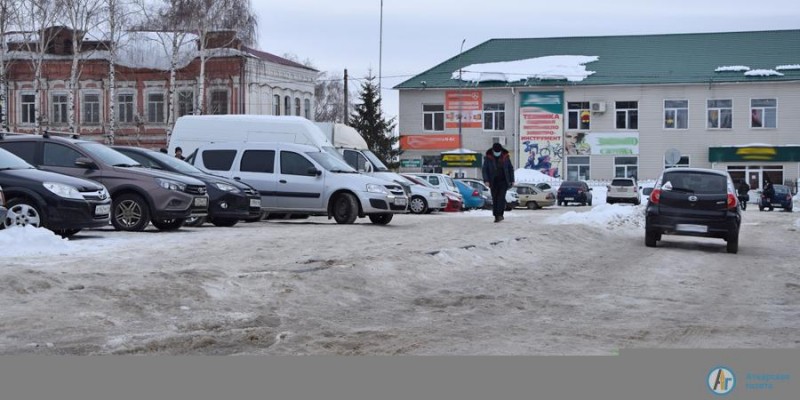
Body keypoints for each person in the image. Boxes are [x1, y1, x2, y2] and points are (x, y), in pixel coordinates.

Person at [482, 142, 515, 223]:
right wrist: (486, 180)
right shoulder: (488, 157)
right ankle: (496, 215)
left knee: (501, 198)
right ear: (493, 151)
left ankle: (500, 215)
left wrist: (512, 180)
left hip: (504, 181)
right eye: (496, 152)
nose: (497, 153)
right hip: (493, 181)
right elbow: (484, 170)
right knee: (495, 198)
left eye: (498, 151)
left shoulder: (505, 156)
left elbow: (510, 168)